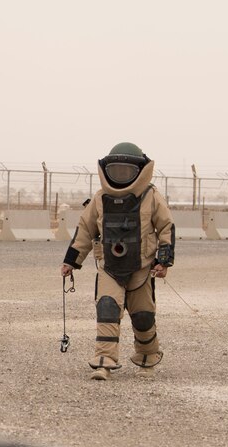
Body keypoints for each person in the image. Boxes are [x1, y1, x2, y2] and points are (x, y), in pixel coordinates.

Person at [60, 142, 175, 380]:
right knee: (107, 309)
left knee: (143, 316)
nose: (121, 175)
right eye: (116, 170)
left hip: (142, 268)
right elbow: (85, 230)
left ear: (140, 171)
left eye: (127, 171)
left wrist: (163, 261)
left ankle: (147, 357)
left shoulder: (151, 196)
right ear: (106, 170)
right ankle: (104, 362)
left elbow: (166, 227)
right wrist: (71, 261)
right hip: (110, 267)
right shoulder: (100, 199)